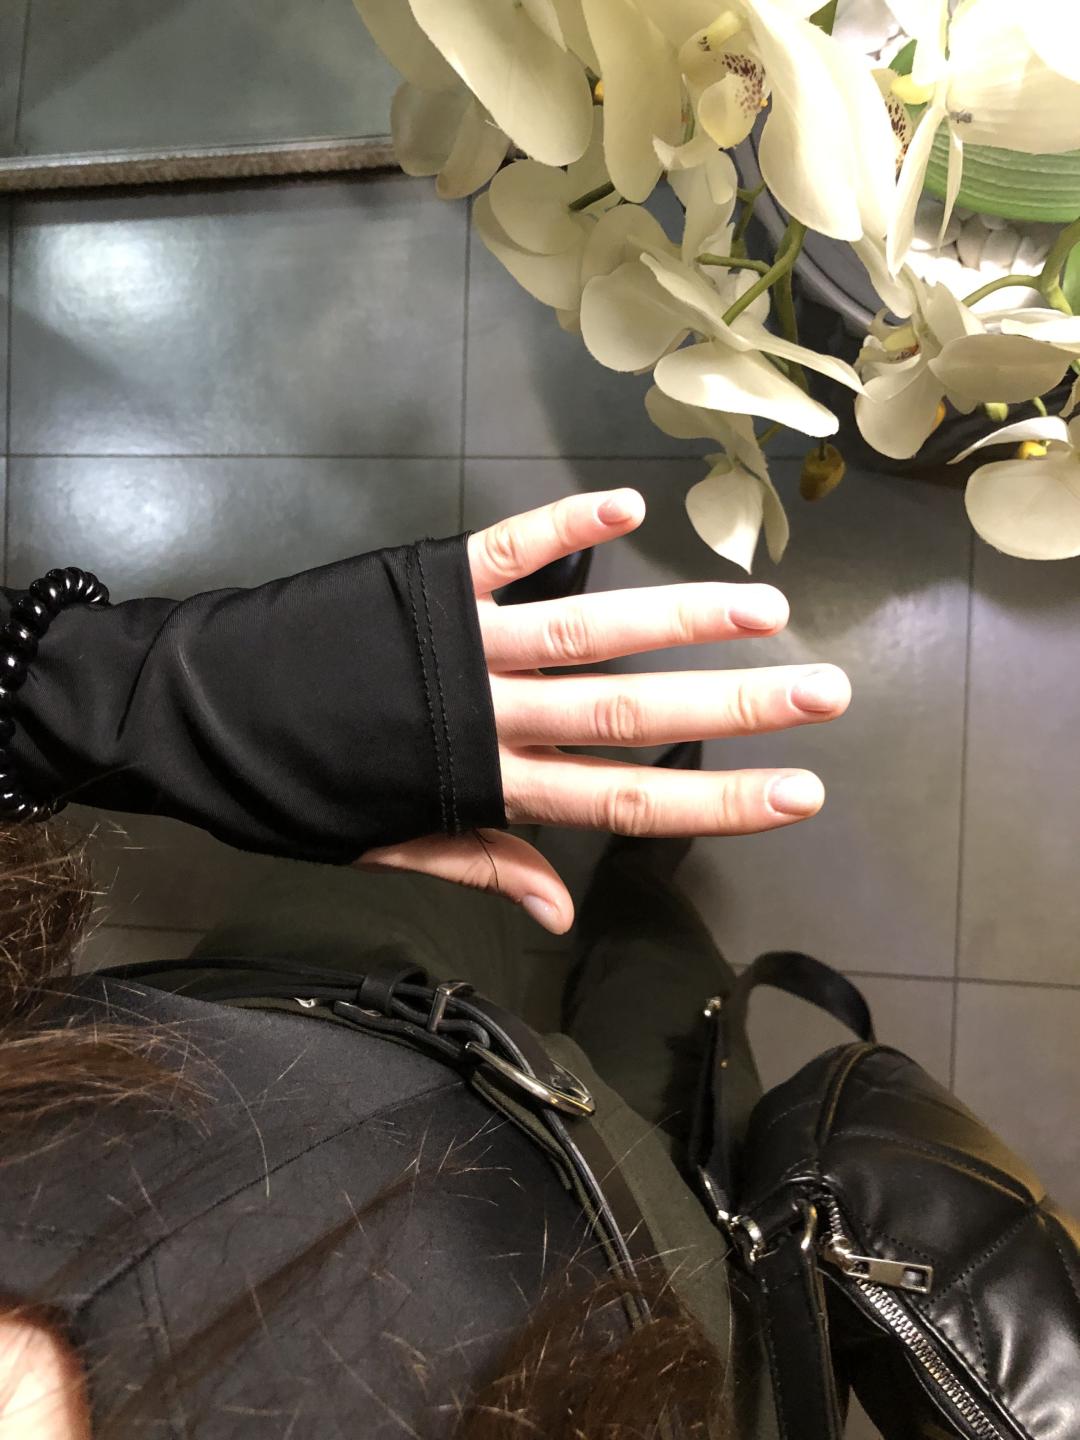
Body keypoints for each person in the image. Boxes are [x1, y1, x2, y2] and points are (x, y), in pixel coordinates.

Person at [0, 489, 852, 1439]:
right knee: (676, 1019)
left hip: (291, 1030)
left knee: (447, 833)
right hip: (651, 1288)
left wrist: (113, 695)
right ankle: (640, 890)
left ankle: (536, 749)